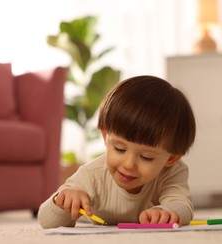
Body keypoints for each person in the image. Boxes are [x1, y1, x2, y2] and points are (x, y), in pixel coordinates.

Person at [38, 75, 196, 228]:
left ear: (171, 158)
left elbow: (182, 205)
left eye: (146, 157)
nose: (128, 164)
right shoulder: (92, 174)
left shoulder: (172, 171)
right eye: (120, 149)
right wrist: (63, 200)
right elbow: (46, 221)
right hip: (94, 220)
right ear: (106, 137)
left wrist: (166, 212)